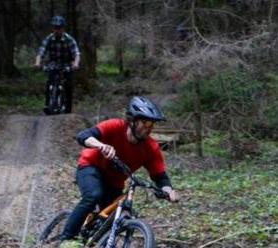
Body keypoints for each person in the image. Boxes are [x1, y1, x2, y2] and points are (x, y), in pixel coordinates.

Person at [59, 96, 179, 247]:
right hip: (91, 166)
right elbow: (83, 136)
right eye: (146, 122)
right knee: (93, 195)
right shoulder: (115, 126)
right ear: (133, 120)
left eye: (152, 124)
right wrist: (100, 146)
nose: (149, 127)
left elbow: (160, 177)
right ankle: (66, 238)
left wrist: (169, 191)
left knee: (114, 217)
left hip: (114, 182)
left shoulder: (151, 148)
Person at [34, 15, 80, 113]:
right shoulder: (49, 38)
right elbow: (41, 51)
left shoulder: (69, 39)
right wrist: (37, 62)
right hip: (54, 64)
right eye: (55, 27)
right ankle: (47, 104)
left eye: (59, 28)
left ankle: (68, 109)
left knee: (68, 85)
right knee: (49, 81)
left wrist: (75, 64)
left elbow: (76, 53)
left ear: (63, 28)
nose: (57, 30)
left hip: (67, 64)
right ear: (52, 28)